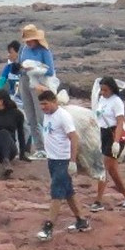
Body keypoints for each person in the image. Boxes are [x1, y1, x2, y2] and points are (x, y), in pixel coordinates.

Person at [35, 90, 89, 241]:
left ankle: (48, 227)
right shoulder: (47, 115)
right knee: (68, 192)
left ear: (54, 102)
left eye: (45, 104)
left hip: (62, 160)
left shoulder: (63, 116)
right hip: (52, 159)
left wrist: (72, 161)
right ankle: (81, 220)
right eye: (41, 104)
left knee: (57, 193)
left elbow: (74, 137)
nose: (43, 107)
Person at [91, 77, 125, 212]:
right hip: (104, 133)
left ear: (112, 89)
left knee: (106, 169)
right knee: (111, 170)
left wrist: (116, 142)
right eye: (101, 89)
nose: (102, 92)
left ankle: (99, 200)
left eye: (105, 90)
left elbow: (120, 123)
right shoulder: (102, 99)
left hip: (114, 135)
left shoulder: (117, 102)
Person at [18, 25, 56, 157]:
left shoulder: (44, 51)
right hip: (25, 81)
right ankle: (39, 148)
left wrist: (35, 69)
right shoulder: (23, 50)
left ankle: (49, 146)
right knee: (30, 116)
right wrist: (24, 69)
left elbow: (50, 70)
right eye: (27, 41)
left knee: (41, 116)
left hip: (39, 83)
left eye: (31, 40)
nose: (28, 43)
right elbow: (19, 66)